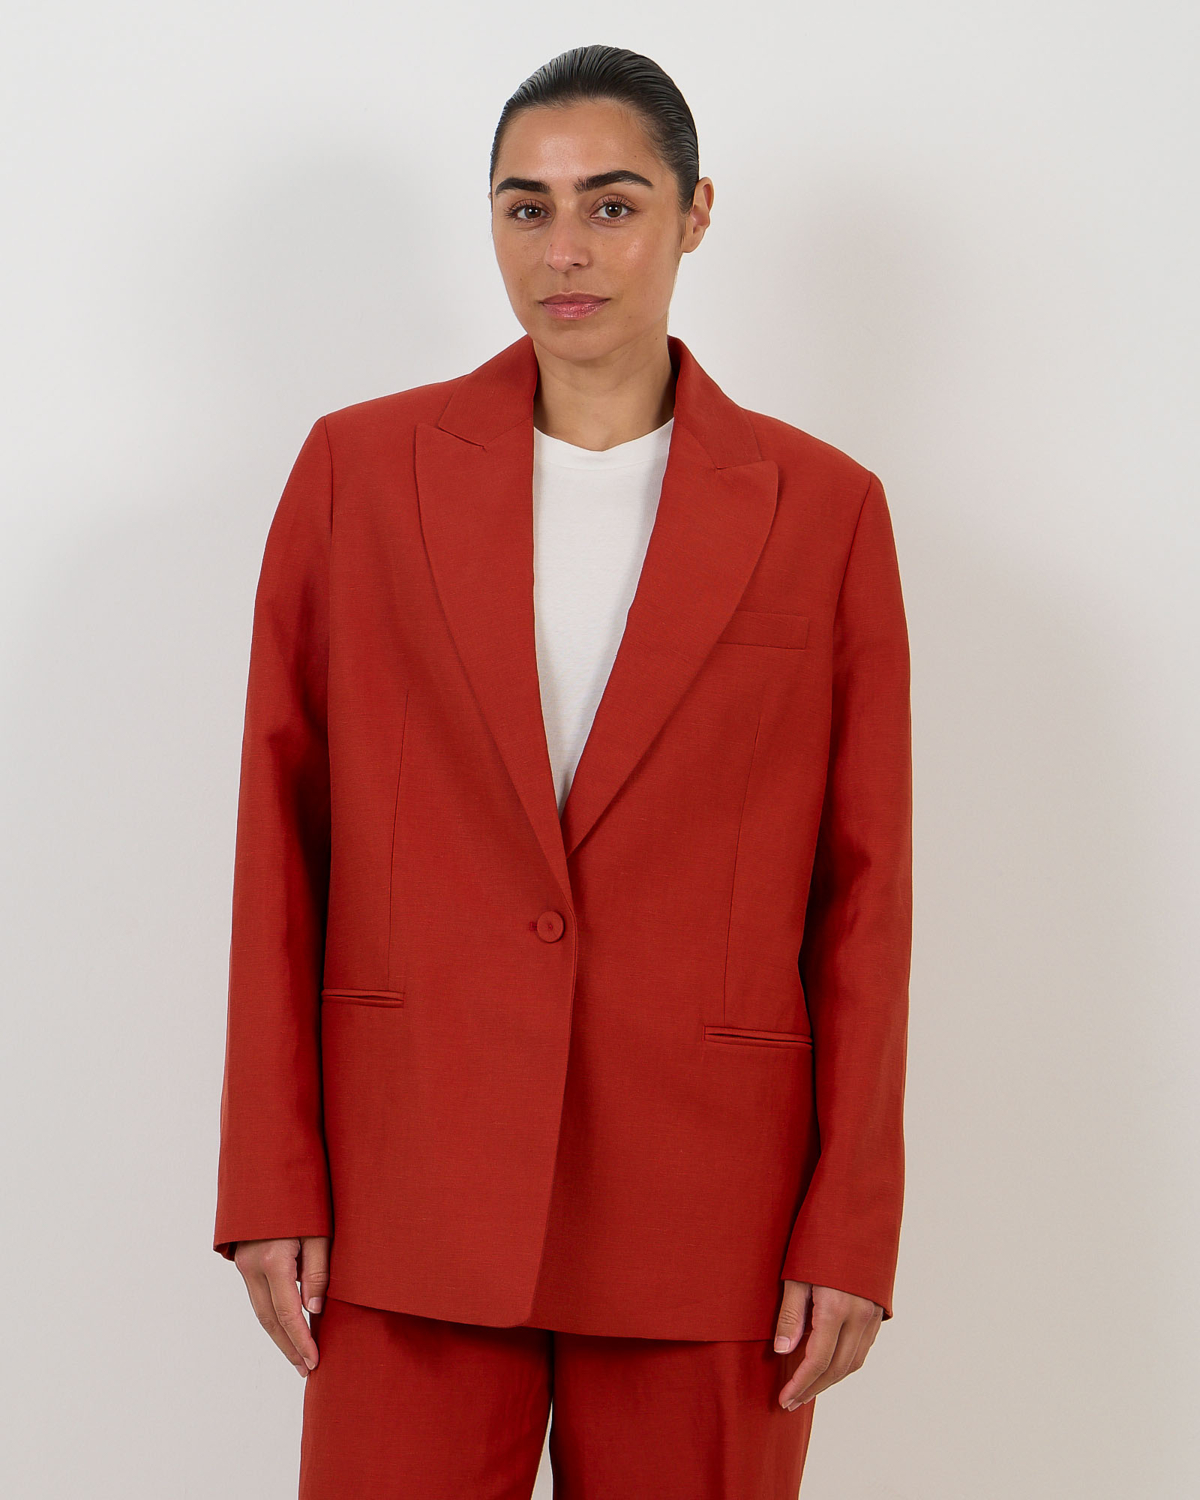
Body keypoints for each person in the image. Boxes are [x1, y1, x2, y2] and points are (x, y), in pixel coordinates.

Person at [213, 42, 912, 1500]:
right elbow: (283, 837)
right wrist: (271, 1178)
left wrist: (849, 1221)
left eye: (612, 203)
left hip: (710, 1210)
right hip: (409, 1184)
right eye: (525, 207)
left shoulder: (825, 509)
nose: (566, 248)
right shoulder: (359, 473)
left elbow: (865, 891)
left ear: (695, 213)